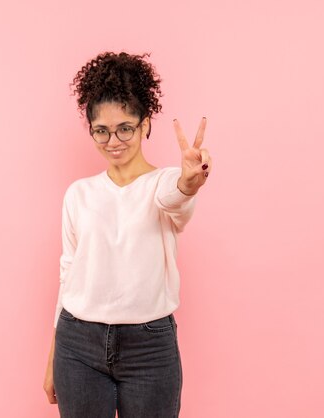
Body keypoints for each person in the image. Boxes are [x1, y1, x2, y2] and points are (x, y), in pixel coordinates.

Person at [43, 51, 212, 417]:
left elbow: (176, 199)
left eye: (125, 128)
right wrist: (53, 356)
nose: (113, 140)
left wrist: (189, 182)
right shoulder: (78, 194)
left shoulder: (163, 184)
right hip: (77, 344)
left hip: (149, 347)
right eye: (101, 131)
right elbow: (68, 273)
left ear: (145, 124)